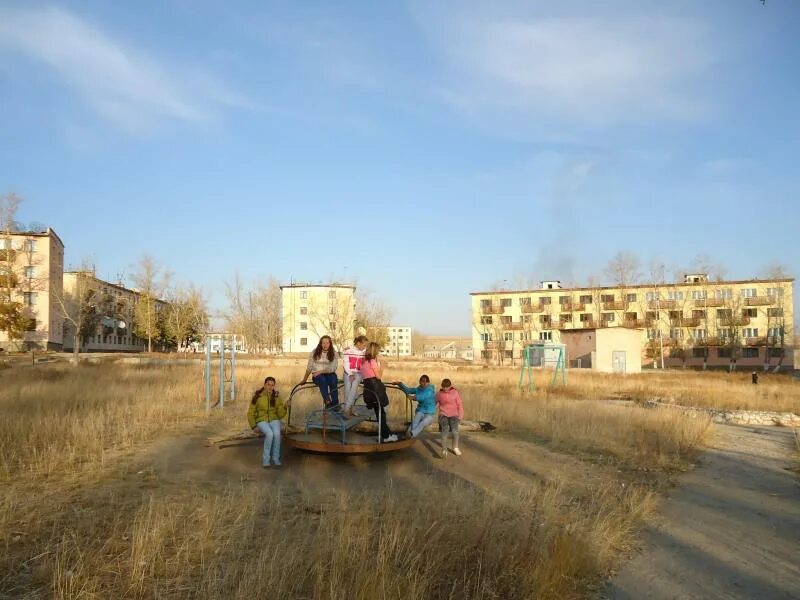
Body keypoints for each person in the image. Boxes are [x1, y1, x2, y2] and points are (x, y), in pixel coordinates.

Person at [360, 342, 398, 443]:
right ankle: (386, 436)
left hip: (368, 390)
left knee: (379, 413)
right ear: (375, 351)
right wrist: (382, 367)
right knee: (381, 413)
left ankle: (387, 434)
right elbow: (378, 376)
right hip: (376, 389)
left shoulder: (363, 362)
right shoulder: (372, 361)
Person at [247, 376, 288, 468]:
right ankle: (266, 460)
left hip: (274, 419)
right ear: (264, 385)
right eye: (268, 385)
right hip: (262, 420)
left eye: (272, 385)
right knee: (270, 434)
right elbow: (250, 413)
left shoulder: (276, 397)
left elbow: (280, 414)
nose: (270, 387)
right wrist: (253, 426)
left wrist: (285, 407)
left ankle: (276, 459)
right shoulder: (258, 396)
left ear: (274, 386)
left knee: (277, 434)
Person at [301, 335, 339, 408]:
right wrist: (304, 379)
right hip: (318, 377)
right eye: (323, 343)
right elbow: (309, 367)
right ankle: (327, 401)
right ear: (320, 344)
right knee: (322, 380)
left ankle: (335, 404)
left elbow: (333, 368)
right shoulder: (314, 352)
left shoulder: (334, 353)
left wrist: (320, 372)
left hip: (329, 374)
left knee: (333, 380)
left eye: (327, 343)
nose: (325, 345)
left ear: (330, 344)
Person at [435, 378, 464, 458]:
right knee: (445, 430)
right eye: (444, 387)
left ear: (450, 386)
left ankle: (455, 447)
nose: (445, 388)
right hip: (443, 415)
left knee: (455, 431)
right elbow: (433, 403)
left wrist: (460, 416)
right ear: (442, 386)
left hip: (454, 415)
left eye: (447, 387)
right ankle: (444, 450)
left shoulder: (455, 392)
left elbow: (460, 405)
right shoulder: (439, 394)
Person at [341, 335, 368, 417]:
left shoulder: (365, 351)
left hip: (359, 373)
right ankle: (349, 411)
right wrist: (350, 373)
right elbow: (345, 363)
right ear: (358, 343)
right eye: (363, 345)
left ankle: (346, 410)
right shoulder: (349, 350)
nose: (364, 347)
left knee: (354, 386)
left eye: (365, 345)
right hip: (348, 372)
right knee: (347, 390)